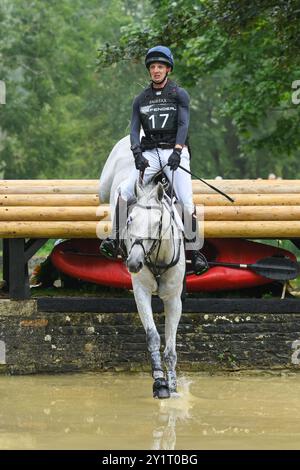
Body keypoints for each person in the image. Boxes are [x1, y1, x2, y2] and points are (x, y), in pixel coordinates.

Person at [100, 45, 207, 274]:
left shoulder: (179, 94)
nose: (156, 70)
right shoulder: (141, 99)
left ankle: (196, 253)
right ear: (150, 71)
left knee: (186, 202)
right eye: (153, 67)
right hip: (150, 153)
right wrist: (137, 154)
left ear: (168, 69)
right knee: (122, 192)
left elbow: (183, 124)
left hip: (174, 152)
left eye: (160, 66)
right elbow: (133, 130)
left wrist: (178, 151)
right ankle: (114, 238)